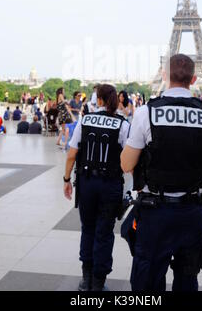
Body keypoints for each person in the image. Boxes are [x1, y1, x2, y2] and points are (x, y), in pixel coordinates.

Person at [120, 54, 202, 292]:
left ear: (164, 75)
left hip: (154, 213)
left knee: (147, 282)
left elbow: (126, 165)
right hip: (192, 212)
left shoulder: (146, 113)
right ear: (194, 78)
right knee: (187, 280)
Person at [63, 84, 130, 291]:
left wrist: (66, 179)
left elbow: (72, 154)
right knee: (104, 232)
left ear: (98, 100)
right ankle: (99, 282)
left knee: (88, 229)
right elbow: (128, 161)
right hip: (110, 184)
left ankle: (86, 278)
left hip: (87, 183)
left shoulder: (86, 119)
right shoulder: (123, 124)